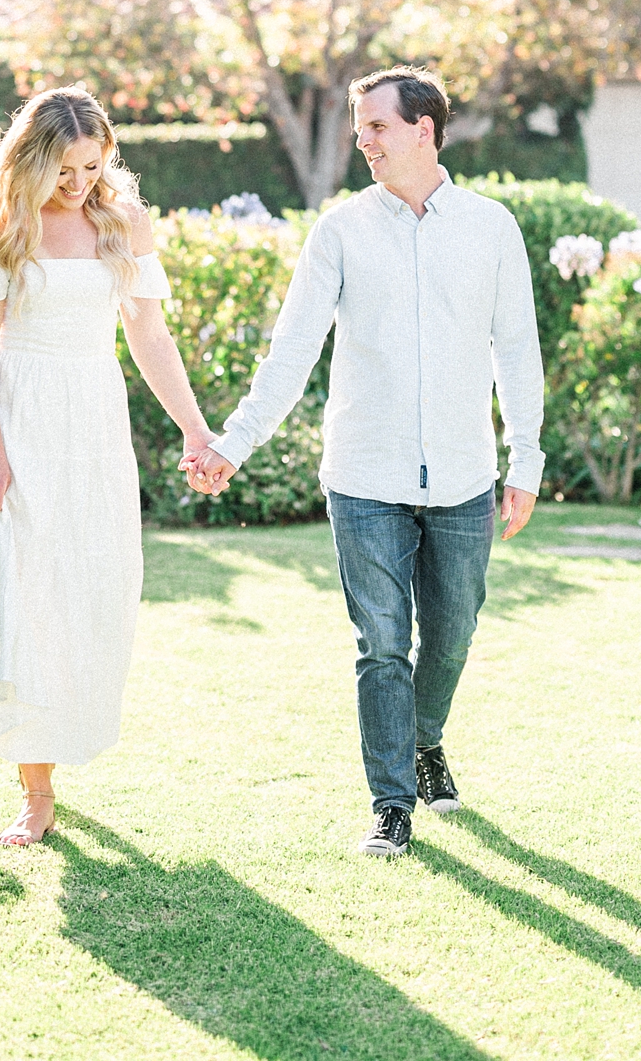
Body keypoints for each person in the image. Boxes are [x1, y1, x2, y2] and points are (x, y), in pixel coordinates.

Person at [183, 65, 544, 858]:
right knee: (382, 642)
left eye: (376, 125)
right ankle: (391, 802)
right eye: (359, 127)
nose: (362, 140)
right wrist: (233, 443)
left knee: (451, 632)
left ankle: (426, 739)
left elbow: (517, 350)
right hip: (364, 476)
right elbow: (293, 351)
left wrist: (526, 461)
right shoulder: (340, 230)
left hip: (461, 475)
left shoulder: (491, 227)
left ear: (424, 128)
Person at [0, 84, 216, 847]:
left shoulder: (123, 220)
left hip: (93, 419)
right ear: (32, 159)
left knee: (95, 582)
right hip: (17, 417)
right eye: (63, 169)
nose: (78, 184)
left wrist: (196, 431)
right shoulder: (3, 227)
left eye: (91, 166)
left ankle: (67, 733)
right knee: (27, 591)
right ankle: (36, 791)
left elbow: (149, 333)